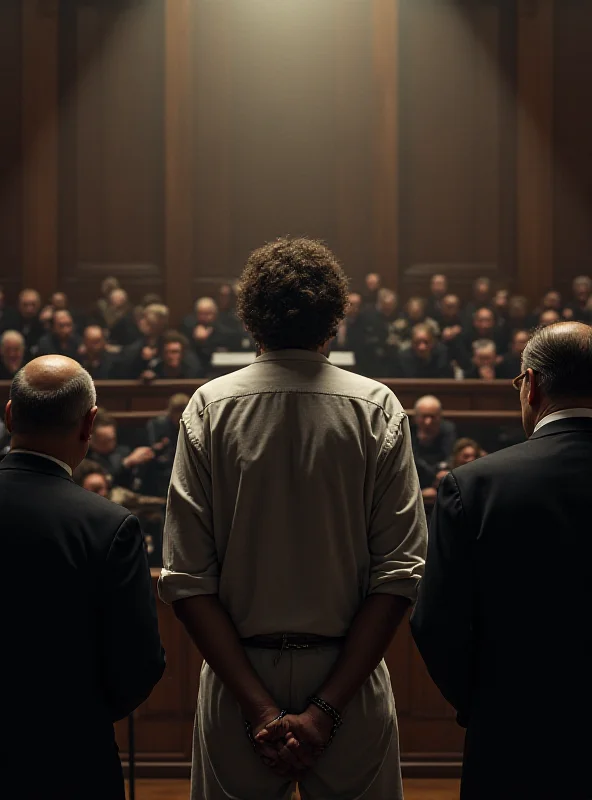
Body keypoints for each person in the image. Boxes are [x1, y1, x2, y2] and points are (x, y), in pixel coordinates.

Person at [159, 236, 427, 800]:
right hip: (348, 675)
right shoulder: (377, 409)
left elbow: (185, 579)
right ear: (334, 319)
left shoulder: (208, 408)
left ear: (250, 320)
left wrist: (258, 709)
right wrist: (326, 709)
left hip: (238, 675)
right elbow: (400, 574)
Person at [411, 321, 592, 800]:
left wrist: (486, 703)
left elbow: (435, 623)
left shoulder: (474, 486)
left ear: (530, 384)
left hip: (513, 737)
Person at [1, 355, 164, 800]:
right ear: (89, 424)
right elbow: (139, 667)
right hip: (70, 761)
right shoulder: (108, 525)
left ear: (10, 414)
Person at [88, 410, 155, 489]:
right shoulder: (87, 460)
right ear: (91, 440)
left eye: (113, 439)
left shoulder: (123, 451)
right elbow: (108, 481)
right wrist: (126, 463)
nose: (111, 444)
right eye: (105, 441)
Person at [145, 393, 190, 497]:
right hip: (163, 464)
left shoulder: (191, 422)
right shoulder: (158, 424)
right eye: (177, 412)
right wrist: (160, 446)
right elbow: (152, 448)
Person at [119, 303, 170, 378]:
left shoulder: (170, 343)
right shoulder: (134, 344)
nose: (141, 322)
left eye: (147, 321)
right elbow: (124, 371)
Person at [411, 395, 458, 470]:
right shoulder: (409, 430)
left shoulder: (448, 430)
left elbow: (450, 457)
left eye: (432, 416)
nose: (428, 422)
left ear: (440, 417)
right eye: (424, 416)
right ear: (416, 417)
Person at [15, 288, 44, 354]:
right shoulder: (11, 323)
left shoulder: (44, 325)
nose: (29, 309)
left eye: (33, 305)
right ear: (19, 305)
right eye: (25, 305)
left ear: (39, 305)